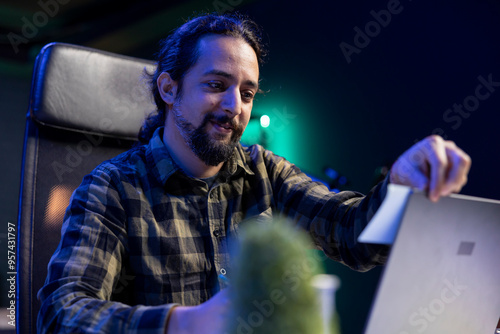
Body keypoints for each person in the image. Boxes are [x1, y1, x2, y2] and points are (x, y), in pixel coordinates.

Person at [37, 12, 471, 334]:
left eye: (246, 93)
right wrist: (184, 324)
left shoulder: (266, 172)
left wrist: (400, 184)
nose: (234, 108)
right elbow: (60, 313)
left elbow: (355, 235)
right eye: (215, 85)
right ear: (169, 89)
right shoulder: (112, 188)